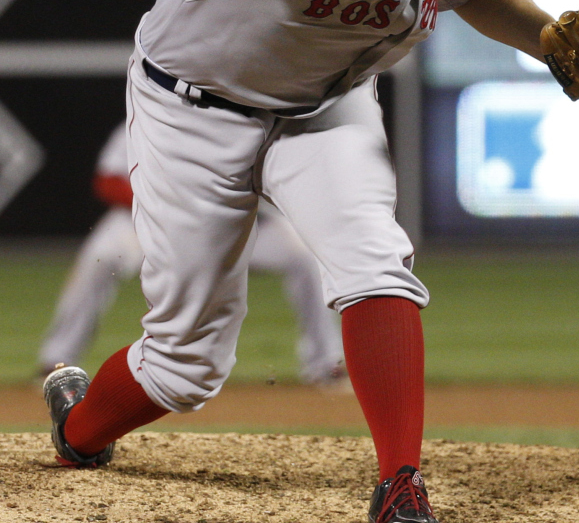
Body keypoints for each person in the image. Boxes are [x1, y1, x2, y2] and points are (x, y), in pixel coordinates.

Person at [44, 0, 555, 523]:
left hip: (326, 105)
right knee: (186, 363)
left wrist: (555, 41)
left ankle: (400, 487)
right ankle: (78, 428)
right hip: (195, 109)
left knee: (373, 257)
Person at [38, 122, 347, 388]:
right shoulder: (155, 115)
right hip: (151, 219)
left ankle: (326, 365)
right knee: (101, 258)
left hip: (234, 221)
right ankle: (56, 362)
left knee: (303, 255)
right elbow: (108, 181)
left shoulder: (259, 123)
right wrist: (166, 204)